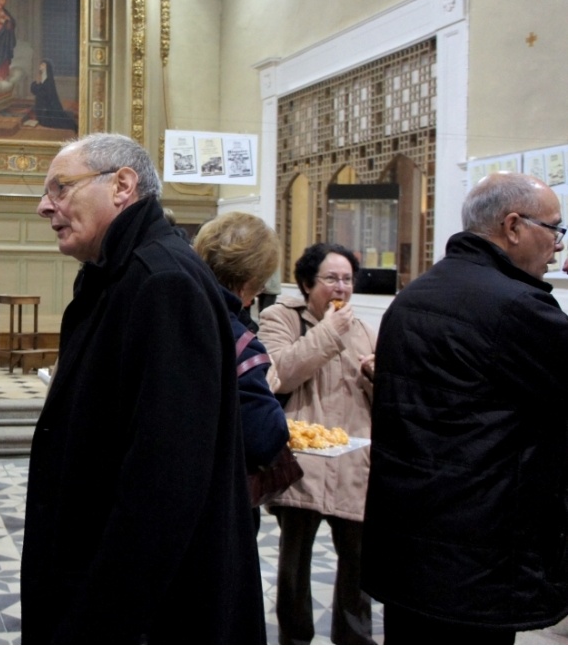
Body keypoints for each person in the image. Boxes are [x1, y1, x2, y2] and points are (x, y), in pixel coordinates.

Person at [21, 133, 266, 644]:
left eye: (61, 188)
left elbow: (164, 483)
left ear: (122, 186)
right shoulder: (120, 275)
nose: (47, 206)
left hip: (143, 611)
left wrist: (101, 619)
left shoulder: (162, 283)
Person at [363, 171, 568, 644]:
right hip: (478, 555)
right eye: (554, 229)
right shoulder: (517, 307)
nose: (558, 245)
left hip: (407, 547)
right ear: (513, 226)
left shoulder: (414, 297)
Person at [258, 242, 376, 645]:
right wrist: (328, 331)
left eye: (347, 279)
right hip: (303, 462)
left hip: (354, 461)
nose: (341, 287)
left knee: (359, 568)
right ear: (308, 283)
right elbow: (278, 375)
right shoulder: (281, 317)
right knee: (294, 568)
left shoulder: (363, 329)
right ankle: (295, 638)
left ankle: (355, 640)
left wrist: (378, 376)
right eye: (331, 278)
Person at [193, 212, 290, 531]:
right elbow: (264, 437)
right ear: (255, 283)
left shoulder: (166, 310)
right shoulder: (241, 343)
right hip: (214, 503)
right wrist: (270, 393)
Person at [29, 59, 77, 132]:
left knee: (55, 121)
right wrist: (37, 84)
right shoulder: (39, 77)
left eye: (43, 65)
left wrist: (38, 86)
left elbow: (46, 94)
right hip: (40, 104)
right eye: (41, 64)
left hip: (47, 106)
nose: (40, 66)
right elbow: (34, 90)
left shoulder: (48, 80)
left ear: (46, 67)